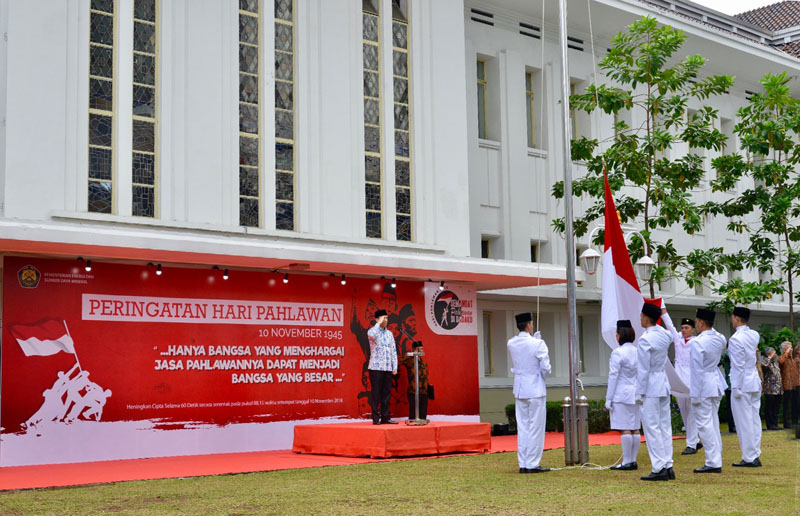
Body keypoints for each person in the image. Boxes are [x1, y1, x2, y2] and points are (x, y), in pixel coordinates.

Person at [507, 312, 551, 474]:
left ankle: (524, 462)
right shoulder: (539, 344)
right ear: (529, 325)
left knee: (523, 427)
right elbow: (546, 368)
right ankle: (532, 463)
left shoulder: (511, 343)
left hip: (520, 388)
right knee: (536, 427)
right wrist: (541, 378)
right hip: (535, 388)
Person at [636, 302, 675, 481]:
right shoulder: (664, 335)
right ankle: (668, 464)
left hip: (651, 385)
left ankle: (659, 466)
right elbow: (670, 335)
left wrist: (639, 392)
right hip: (663, 383)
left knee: (652, 427)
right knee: (664, 426)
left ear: (646, 317)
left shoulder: (645, 339)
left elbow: (643, 369)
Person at [689, 308, 728, 473]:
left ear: (701, 322)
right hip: (716, 383)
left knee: (705, 425)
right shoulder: (720, 338)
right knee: (713, 422)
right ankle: (715, 456)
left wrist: (695, 394)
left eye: (697, 322)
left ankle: (713, 461)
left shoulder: (698, 342)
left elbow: (696, 371)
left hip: (704, 386)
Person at [728, 306, 763, 467]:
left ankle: (749, 456)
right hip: (754, 381)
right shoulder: (754, 334)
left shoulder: (736, 339)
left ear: (736, 318)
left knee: (744, 421)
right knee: (754, 419)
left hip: (743, 383)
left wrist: (736, 387)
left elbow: (738, 366)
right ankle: (755, 453)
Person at [605, 320, 641, 471]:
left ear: (619, 335)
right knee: (635, 428)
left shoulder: (618, 352)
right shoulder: (638, 350)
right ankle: (632, 460)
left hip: (621, 393)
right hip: (636, 392)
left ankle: (627, 461)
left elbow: (613, 376)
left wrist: (608, 398)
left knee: (625, 428)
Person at [672, 317, 701, 454]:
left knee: (692, 412)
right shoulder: (678, 340)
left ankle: (691, 444)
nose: (683, 330)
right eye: (682, 328)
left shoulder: (696, 342)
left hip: (691, 381)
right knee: (684, 411)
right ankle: (693, 440)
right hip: (679, 381)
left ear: (693, 330)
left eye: (687, 328)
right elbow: (670, 328)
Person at [367, 309, 398, 425]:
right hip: (376, 368)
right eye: (383, 318)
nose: (385, 320)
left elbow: (393, 351)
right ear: (376, 319)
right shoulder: (372, 331)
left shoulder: (389, 334)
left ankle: (385, 417)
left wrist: (394, 367)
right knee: (376, 394)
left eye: (386, 318)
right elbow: (372, 335)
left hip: (387, 368)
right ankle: (376, 418)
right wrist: (378, 324)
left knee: (386, 394)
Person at [399, 340, 429, 421]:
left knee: (423, 414)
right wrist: (413, 353)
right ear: (416, 349)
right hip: (414, 390)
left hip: (424, 391)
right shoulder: (410, 361)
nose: (422, 350)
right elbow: (401, 360)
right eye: (420, 349)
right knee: (413, 413)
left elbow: (426, 376)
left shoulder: (423, 362)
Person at [760, 346, 783, 431]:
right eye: (773, 352)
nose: (775, 354)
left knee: (776, 408)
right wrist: (769, 357)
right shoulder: (765, 361)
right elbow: (765, 366)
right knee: (769, 407)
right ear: (768, 354)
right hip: (770, 389)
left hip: (778, 389)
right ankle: (770, 425)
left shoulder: (775, 363)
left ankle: (775, 424)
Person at [778, 341, 798, 429]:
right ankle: (786, 423)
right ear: (785, 349)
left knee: (795, 404)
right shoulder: (782, 358)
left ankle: (794, 421)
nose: (792, 349)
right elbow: (781, 362)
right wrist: (786, 353)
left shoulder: (792, 359)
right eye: (790, 348)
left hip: (794, 385)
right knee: (786, 405)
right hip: (786, 385)